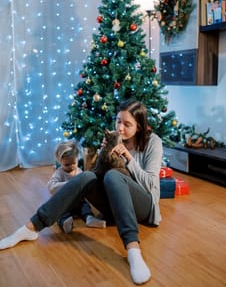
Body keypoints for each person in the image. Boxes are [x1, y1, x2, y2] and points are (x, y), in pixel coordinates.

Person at [0, 99, 163, 285]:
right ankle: (30, 228)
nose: (120, 128)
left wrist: (127, 157)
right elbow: (95, 176)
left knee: (113, 177)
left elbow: (150, 184)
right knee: (87, 176)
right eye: (118, 121)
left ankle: (133, 251)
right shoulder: (114, 139)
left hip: (143, 207)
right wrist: (104, 155)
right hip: (115, 206)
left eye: (127, 124)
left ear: (140, 127)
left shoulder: (153, 143)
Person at [48, 140, 106, 233]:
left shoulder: (78, 171)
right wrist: (69, 184)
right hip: (64, 203)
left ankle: (89, 218)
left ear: (77, 159)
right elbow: (51, 187)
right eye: (67, 164)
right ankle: (65, 222)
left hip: (77, 201)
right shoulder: (59, 173)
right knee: (59, 212)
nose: (71, 166)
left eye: (73, 163)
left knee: (85, 206)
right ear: (60, 161)